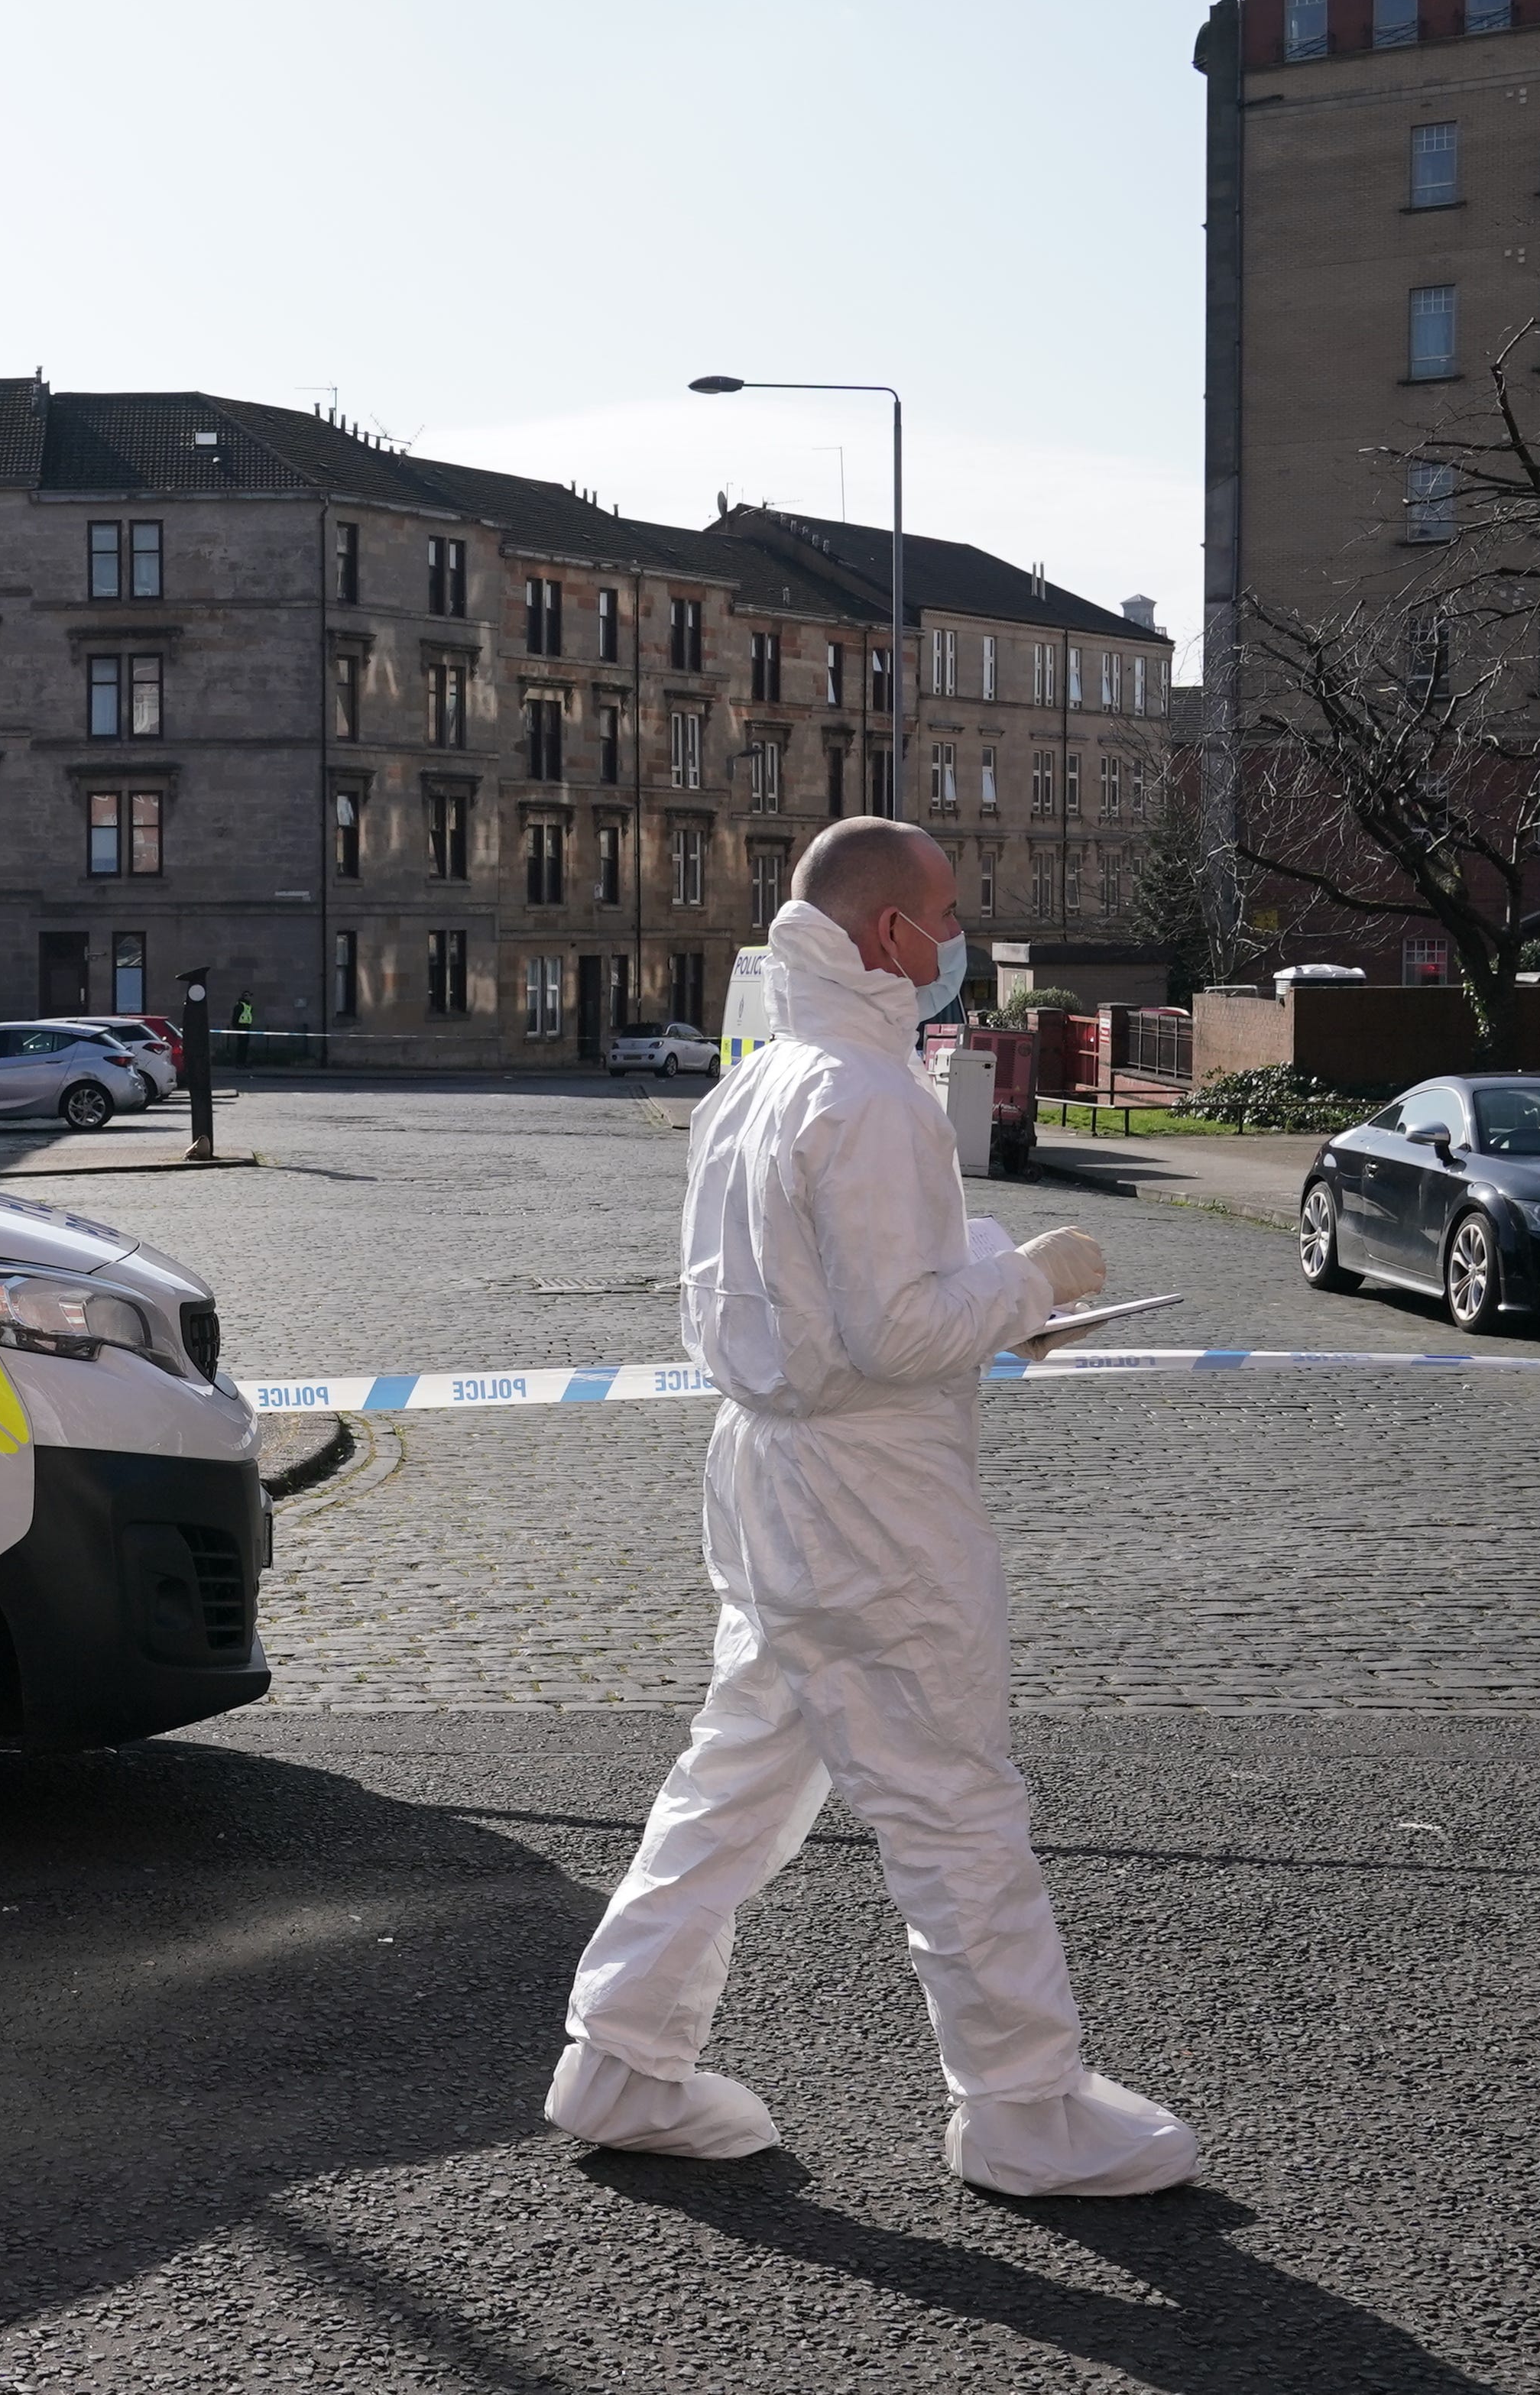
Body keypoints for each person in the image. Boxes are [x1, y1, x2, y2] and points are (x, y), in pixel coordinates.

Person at [544, 815, 1200, 2199]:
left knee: (738, 1775)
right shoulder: (873, 1090)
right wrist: (1028, 1282)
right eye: (944, 912)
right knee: (952, 1791)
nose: (956, 937)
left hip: (773, 1472)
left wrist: (988, 1295)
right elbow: (899, 1330)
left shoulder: (761, 1082)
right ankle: (1024, 2104)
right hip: (872, 1490)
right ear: (887, 933)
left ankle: (621, 2054)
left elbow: (809, 1296)